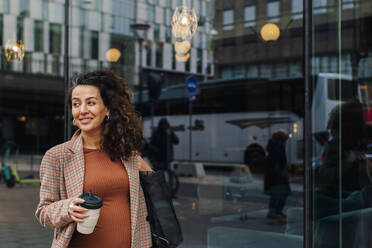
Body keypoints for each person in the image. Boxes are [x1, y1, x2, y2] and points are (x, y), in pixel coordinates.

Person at [35, 70, 152, 248]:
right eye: (76, 104)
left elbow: (154, 196)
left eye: (91, 103)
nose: (82, 110)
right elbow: (43, 212)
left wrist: (143, 166)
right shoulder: (57, 156)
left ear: (107, 109)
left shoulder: (126, 153)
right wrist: (68, 208)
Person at [264, 130, 291, 221]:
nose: (286, 142)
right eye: (285, 140)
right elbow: (276, 164)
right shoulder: (276, 148)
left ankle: (276, 211)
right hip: (277, 177)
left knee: (279, 194)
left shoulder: (276, 147)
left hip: (277, 176)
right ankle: (274, 211)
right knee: (278, 194)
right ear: (281, 140)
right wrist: (282, 174)